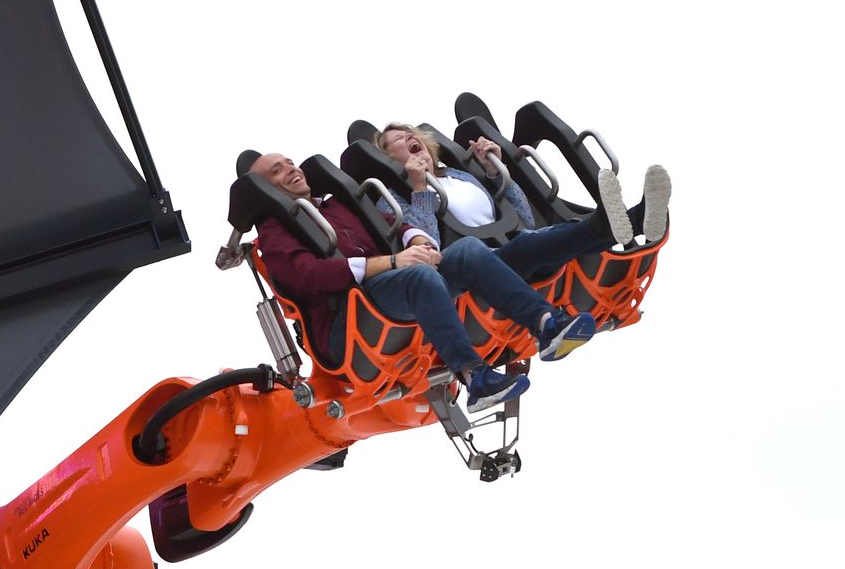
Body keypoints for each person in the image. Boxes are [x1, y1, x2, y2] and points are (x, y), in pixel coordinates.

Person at [248, 151, 598, 412]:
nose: (291, 169)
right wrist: (393, 261)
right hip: (350, 318)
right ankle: (475, 377)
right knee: (420, 275)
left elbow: (393, 224)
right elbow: (307, 275)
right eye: (277, 171)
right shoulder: (275, 231)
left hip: (394, 287)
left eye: (290, 163)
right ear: (264, 189)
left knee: (467, 250)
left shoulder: (335, 204)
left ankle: (547, 323)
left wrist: (417, 241)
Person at [372, 122, 672, 286]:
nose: (408, 136)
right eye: (398, 138)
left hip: (517, 249)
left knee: (553, 233)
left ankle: (638, 218)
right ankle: (621, 222)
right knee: (536, 243)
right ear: (388, 158)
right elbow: (429, 249)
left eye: (410, 133)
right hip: (475, 269)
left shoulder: (458, 175)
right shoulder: (394, 201)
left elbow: (523, 219)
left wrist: (495, 171)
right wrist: (420, 187)